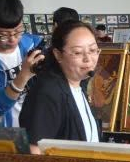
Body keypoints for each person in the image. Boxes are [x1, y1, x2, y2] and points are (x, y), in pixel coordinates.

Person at [20, 20, 100, 153]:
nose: (88, 58)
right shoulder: (48, 92)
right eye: (77, 52)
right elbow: (35, 150)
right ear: (58, 54)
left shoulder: (79, 84)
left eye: (92, 50)